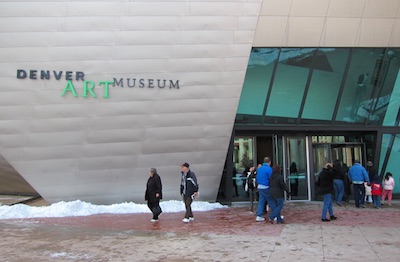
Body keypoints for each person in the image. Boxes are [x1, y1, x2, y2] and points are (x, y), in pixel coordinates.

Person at [255, 157, 273, 222]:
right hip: (266, 186)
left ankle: (259, 215)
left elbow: (257, 177)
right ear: (269, 162)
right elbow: (271, 178)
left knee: (261, 201)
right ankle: (275, 215)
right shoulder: (269, 169)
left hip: (260, 186)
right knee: (271, 200)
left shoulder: (260, 169)